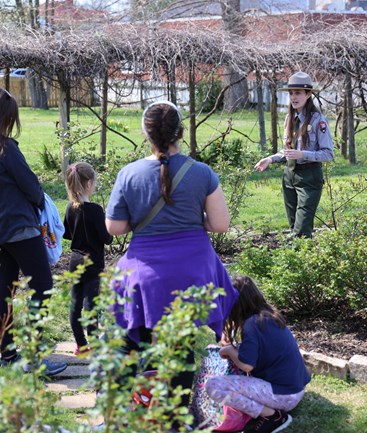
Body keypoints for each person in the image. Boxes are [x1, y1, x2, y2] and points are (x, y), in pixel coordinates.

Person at [105, 100, 239, 410]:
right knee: (180, 345)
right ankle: (178, 416)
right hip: (193, 271)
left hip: (144, 275)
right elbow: (220, 224)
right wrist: (192, 220)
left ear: (146, 133)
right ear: (180, 132)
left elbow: (115, 227)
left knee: (133, 338)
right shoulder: (202, 172)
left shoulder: (129, 173)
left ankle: (132, 406)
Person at [0, 86, 66, 377]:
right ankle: (35, 355)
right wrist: (40, 201)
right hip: (21, 228)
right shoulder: (5, 148)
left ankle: (8, 354)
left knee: (5, 289)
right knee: (43, 285)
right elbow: (31, 186)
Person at [206, 275, 311, 433]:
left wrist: (229, 350)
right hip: (295, 390)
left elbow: (247, 365)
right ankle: (263, 411)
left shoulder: (251, 325)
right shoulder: (267, 315)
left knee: (213, 385)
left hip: (283, 396)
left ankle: (272, 416)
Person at [254, 71, 334, 238]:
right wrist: (270, 159)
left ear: (308, 94)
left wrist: (303, 154)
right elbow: (288, 151)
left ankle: (300, 260)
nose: (293, 97)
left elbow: (328, 154)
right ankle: (299, 259)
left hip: (309, 177)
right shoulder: (289, 118)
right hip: (289, 176)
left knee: (301, 230)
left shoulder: (318, 120)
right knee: (293, 227)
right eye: (291, 93)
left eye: (298, 93)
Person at [63, 162, 113, 356]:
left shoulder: (69, 208)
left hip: (75, 260)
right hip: (93, 262)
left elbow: (67, 233)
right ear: (88, 183)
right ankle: (94, 343)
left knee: (75, 304)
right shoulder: (96, 210)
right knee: (91, 304)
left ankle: (80, 344)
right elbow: (106, 238)